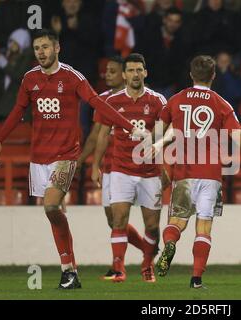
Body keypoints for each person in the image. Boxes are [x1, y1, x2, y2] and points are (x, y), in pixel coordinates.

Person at [0, 29, 144, 289]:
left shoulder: (72, 78)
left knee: (50, 206)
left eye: (45, 47)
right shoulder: (29, 79)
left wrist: (128, 125)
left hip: (66, 153)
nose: (41, 52)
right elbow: (18, 110)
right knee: (54, 212)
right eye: (37, 48)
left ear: (57, 48)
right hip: (39, 157)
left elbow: (97, 102)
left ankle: (68, 270)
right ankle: (70, 272)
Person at [154, 55, 241, 288]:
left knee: (177, 221)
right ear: (213, 76)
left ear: (191, 75)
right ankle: (196, 279)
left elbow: (159, 133)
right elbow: (239, 137)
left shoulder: (175, 101)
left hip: (184, 172)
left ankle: (170, 244)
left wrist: (160, 160)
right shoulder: (221, 104)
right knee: (204, 227)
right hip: (210, 174)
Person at [91, 53, 167, 283]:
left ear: (145, 73)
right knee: (118, 219)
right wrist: (95, 165)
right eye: (131, 70)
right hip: (120, 169)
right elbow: (102, 135)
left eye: (139, 70)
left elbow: (165, 133)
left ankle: (147, 265)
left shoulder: (158, 101)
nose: (135, 74)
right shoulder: (112, 102)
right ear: (124, 75)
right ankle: (118, 269)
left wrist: (155, 143)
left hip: (150, 172)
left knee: (152, 226)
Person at [77, 55, 146, 279]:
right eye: (107, 70)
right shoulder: (104, 100)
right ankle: (147, 249)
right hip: (111, 167)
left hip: (137, 167)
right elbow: (97, 135)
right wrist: (91, 163)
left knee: (119, 219)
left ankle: (119, 266)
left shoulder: (145, 98)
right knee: (112, 219)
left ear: (124, 74)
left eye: (113, 71)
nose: (108, 74)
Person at [0, 28, 34, 121]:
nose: (12, 45)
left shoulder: (27, 57)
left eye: (15, 42)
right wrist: (1, 62)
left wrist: (4, 64)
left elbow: (19, 76)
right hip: (1, 108)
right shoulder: (7, 56)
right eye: (11, 41)